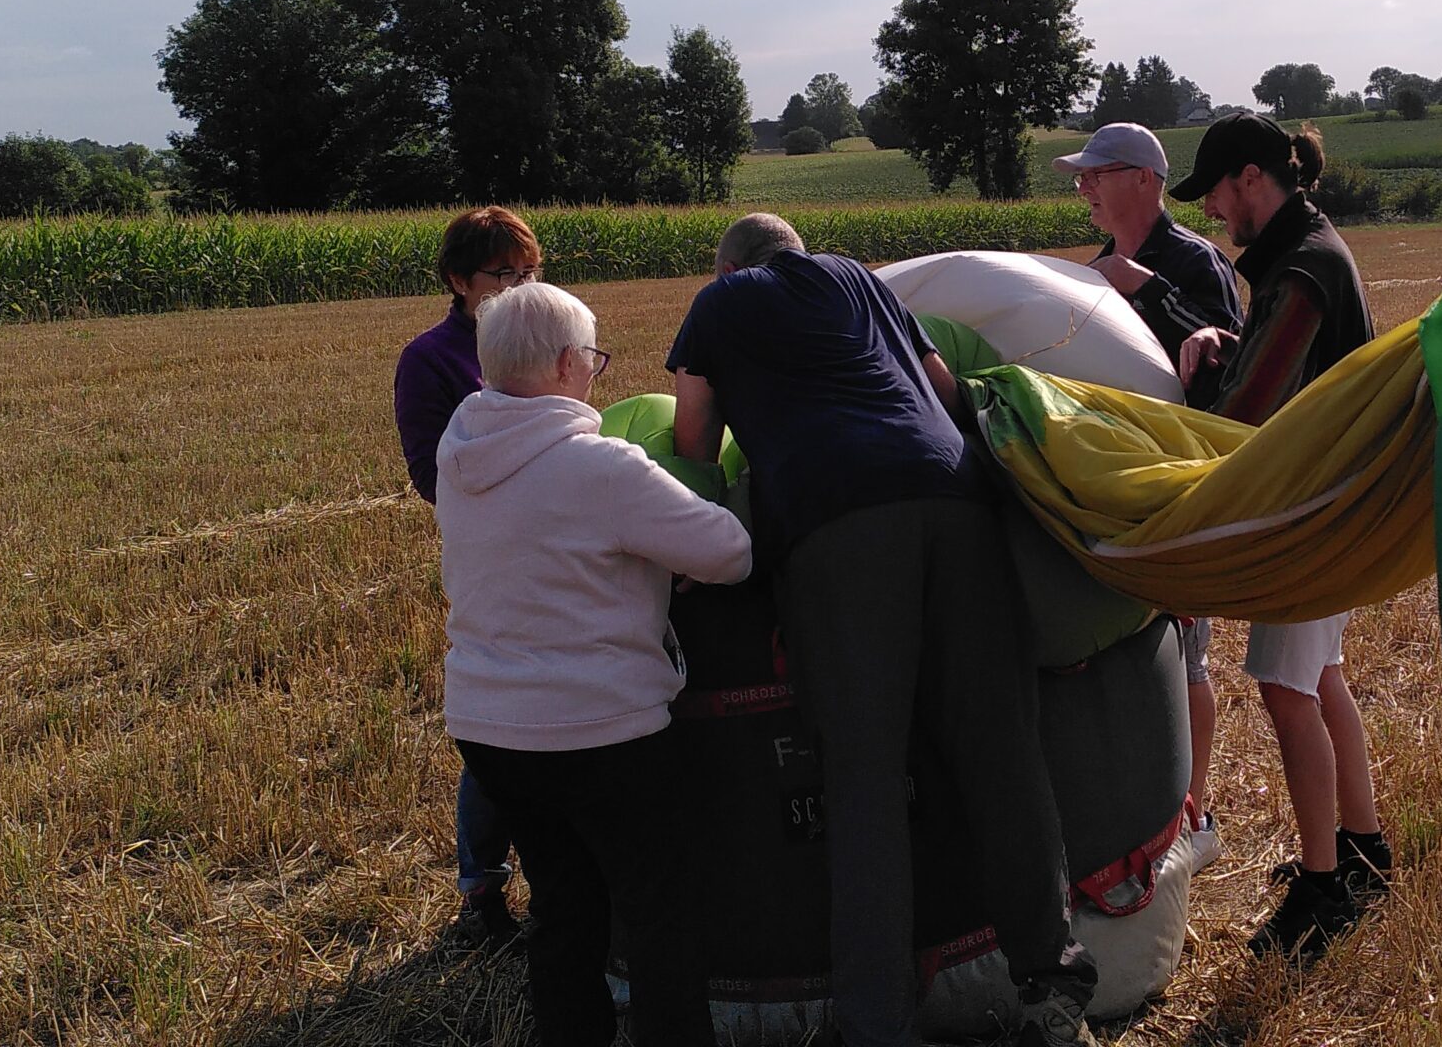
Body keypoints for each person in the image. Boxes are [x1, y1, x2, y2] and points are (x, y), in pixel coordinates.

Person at [667, 213, 1099, 1047]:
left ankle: (874, 1021)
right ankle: (1051, 983)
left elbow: (694, 439)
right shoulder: (861, 279)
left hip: (839, 530)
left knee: (862, 778)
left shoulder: (721, 303)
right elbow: (939, 388)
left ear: (729, 265)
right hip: (955, 505)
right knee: (1002, 749)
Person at [436, 282, 753, 1047]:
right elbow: (729, 553)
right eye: (593, 358)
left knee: (564, 910)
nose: (595, 372)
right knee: (658, 918)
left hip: (489, 732)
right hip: (601, 732)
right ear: (567, 364)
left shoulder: (461, 450)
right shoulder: (603, 466)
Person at [1168, 114, 1393, 962]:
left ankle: (1323, 887)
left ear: (1253, 178)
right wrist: (1228, 343)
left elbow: (1249, 416)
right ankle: (1365, 850)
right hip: (1337, 504)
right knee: (1320, 677)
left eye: (1218, 194)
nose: (1217, 213)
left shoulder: (1301, 270)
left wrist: (1197, 388)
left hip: (1313, 515)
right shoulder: (1310, 253)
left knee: (1283, 688)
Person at [1057, 121, 1243, 868]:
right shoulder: (1097, 266)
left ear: (1142, 179)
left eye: (1096, 174)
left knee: (1187, 651)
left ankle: (1194, 815)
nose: (1083, 187)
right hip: (1112, 482)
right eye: (1081, 176)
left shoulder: (1191, 263)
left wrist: (1150, 292)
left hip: (1176, 478)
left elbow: (1227, 363)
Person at [392, 205, 540, 938]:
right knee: (499, 724)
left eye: (529, 271)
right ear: (458, 280)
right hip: (492, 556)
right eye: (501, 274)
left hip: (565, 549)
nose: (519, 286)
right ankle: (482, 891)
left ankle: (562, 877)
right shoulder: (431, 359)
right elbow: (429, 472)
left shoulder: (551, 334)